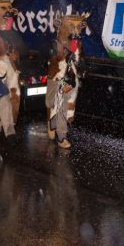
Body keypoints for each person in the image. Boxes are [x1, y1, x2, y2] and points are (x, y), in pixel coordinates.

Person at [46, 12, 87, 149]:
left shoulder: (78, 44)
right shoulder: (55, 44)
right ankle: (62, 137)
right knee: (61, 107)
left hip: (72, 79)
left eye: (77, 27)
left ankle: (53, 124)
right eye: (71, 26)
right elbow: (53, 62)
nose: (75, 30)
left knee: (69, 106)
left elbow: (80, 61)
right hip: (60, 80)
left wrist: (81, 66)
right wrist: (66, 53)